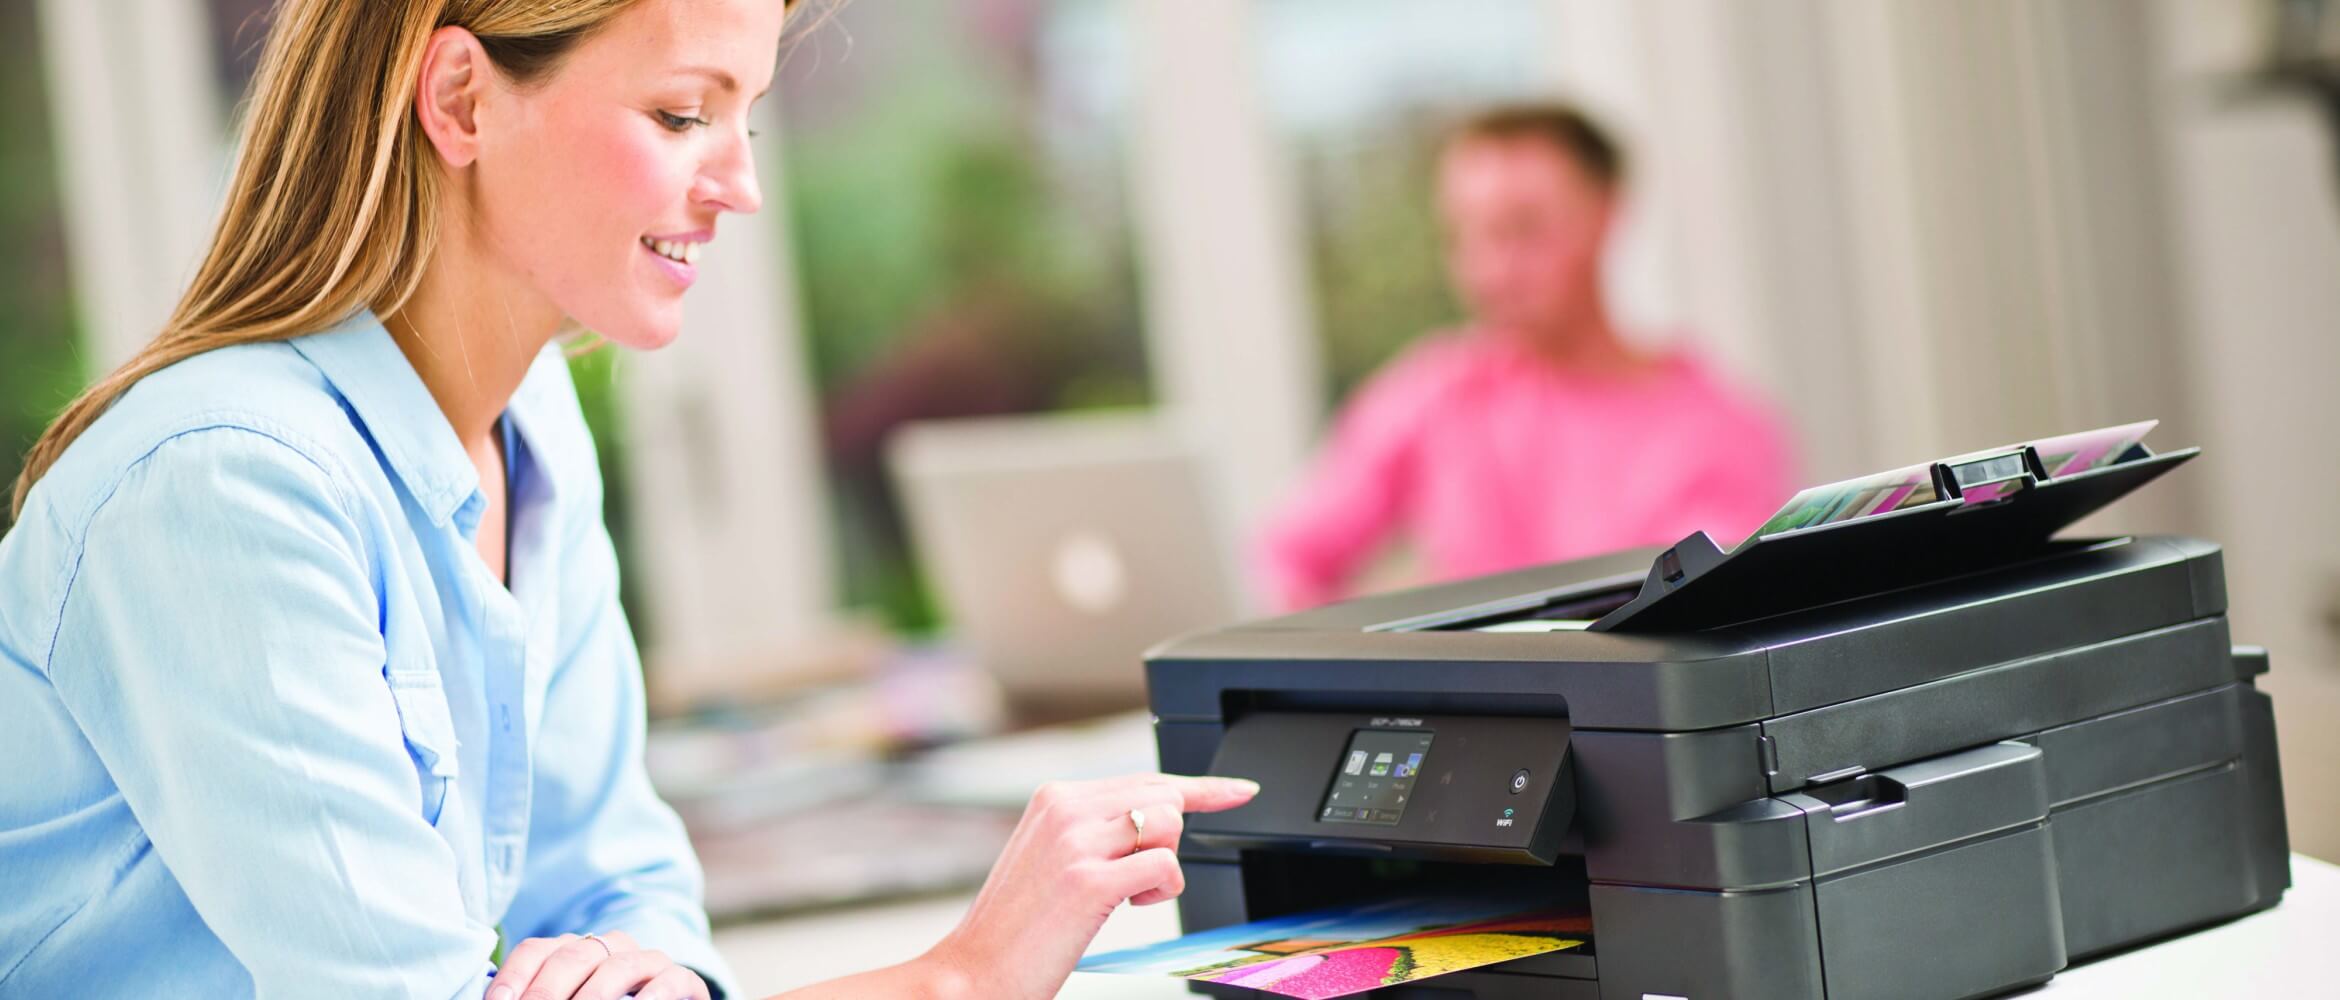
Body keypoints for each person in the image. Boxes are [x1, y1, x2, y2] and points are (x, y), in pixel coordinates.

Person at [0, 2, 1255, 999]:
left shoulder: (531, 425)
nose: (739, 185)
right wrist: (957, 978)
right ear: (460, 99)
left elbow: (619, 880)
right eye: (679, 113)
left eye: (745, 118)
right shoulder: (223, 486)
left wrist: (647, 969)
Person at [1258, 104, 1797, 611]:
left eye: (1522, 230)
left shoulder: (1716, 429)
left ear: (1606, 214)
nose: (1490, 269)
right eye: (1465, 235)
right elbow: (1287, 558)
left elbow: (1699, 622)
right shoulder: (1436, 391)